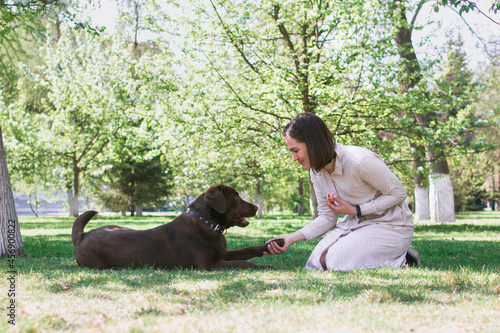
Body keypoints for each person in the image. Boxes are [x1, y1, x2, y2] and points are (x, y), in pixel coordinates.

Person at [265, 112, 420, 271]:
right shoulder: (317, 173)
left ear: (313, 143)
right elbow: (327, 217)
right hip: (355, 224)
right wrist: (290, 238)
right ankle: (379, 254)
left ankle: (403, 258)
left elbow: (398, 193)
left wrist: (356, 210)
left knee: (335, 262)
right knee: (316, 264)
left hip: (392, 225)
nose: (293, 158)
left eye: (295, 150)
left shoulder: (359, 160)